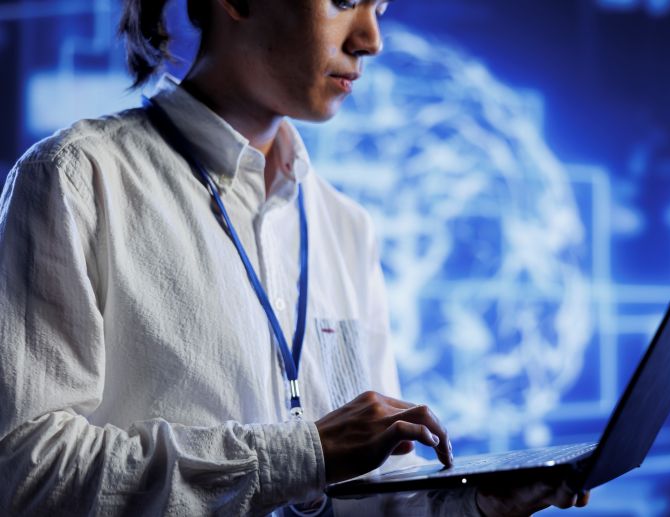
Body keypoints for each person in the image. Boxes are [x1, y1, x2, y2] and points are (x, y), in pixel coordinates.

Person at [0, 0, 591, 515]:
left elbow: (367, 499)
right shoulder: (76, 181)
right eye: (345, 0)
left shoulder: (346, 227)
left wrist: (475, 507)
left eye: (380, 10)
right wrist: (302, 452)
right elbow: (24, 476)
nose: (371, 40)